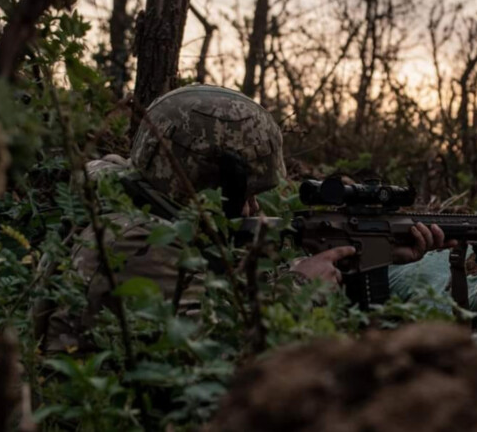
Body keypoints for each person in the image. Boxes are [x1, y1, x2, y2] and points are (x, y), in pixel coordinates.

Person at [33, 85, 453, 353]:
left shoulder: (133, 192)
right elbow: (219, 341)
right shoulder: (134, 241)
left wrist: (373, 249)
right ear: (207, 182)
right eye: (248, 196)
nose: (254, 211)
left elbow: (217, 271)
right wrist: (297, 285)